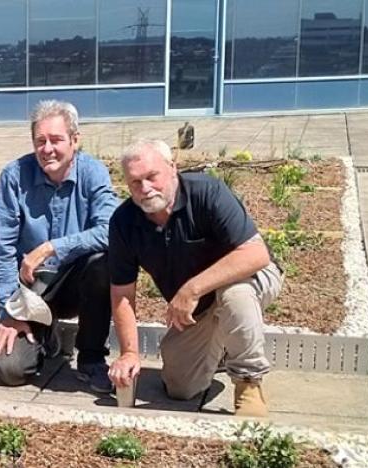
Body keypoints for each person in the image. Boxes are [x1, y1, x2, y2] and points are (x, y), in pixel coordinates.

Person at [107, 140, 283, 417]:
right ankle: (222, 348)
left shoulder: (208, 192)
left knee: (233, 294)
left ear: (172, 168)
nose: (145, 189)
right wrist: (129, 352)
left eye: (152, 177)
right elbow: (122, 294)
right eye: (135, 182)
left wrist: (192, 288)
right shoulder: (123, 222)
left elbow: (256, 254)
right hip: (198, 307)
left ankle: (249, 384)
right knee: (180, 388)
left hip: (251, 278)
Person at [0, 100, 119, 392]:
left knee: (103, 262)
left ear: (75, 140)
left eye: (57, 140)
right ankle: (42, 335)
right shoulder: (14, 176)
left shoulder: (93, 172)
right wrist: (10, 312)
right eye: (40, 141)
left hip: (77, 284)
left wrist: (51, 247)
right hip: (29, 290)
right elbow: (1, 250)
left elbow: (112, 231)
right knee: (11, 370)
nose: (47, 149)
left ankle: (92, 358)